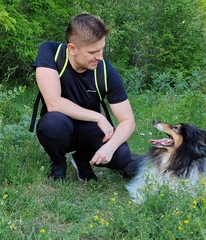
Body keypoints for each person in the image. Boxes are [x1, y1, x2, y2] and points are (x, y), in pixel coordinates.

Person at [33, 13, 136, 181]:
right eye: (93, 52)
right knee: (52, 123)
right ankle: (58, 162)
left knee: (122, 155)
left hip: (89, 130)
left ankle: (82, 158)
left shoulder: (105, 72)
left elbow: (128, 121)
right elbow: (53, 103)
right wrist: (98, 117)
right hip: (60, 125)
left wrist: (110, 147)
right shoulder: (50, 52)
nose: (100, 57)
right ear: (72, 49)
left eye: (102, 49)